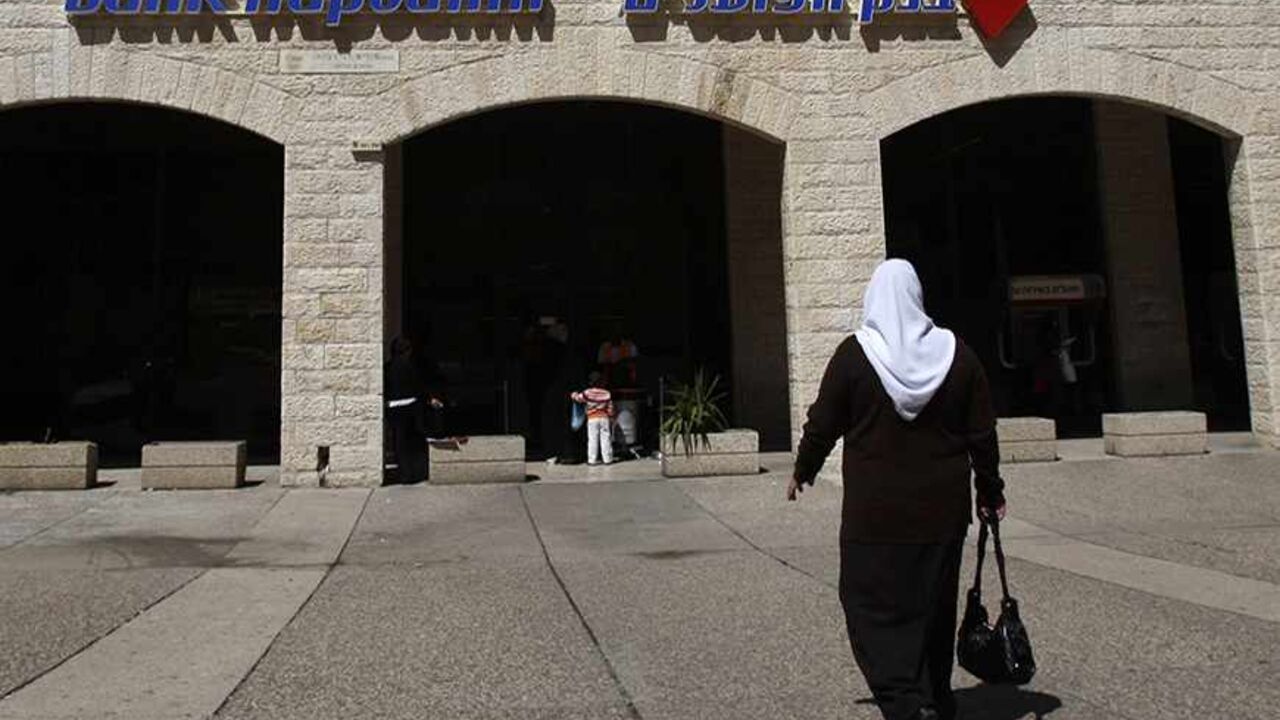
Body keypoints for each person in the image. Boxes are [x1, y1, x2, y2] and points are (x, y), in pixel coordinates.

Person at [789, 259, 1006, 720]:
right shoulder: (958, 355)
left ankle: (905, 702)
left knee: (870, 607)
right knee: (933, 607)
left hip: (876, 516)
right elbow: (982, 435)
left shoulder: (855, 355)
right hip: (943, 513)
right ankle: (933, 696)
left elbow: (822, 423)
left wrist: (803, 470)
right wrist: (990, 492)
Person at [384, 337, 441, 485]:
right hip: (410, 407)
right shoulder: (410, 367)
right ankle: (414, 473)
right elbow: (418, 387)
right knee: (412, 441)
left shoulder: (387, 368)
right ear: (407, 351)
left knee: (398, 442)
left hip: (393, 409)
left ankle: (403, 473)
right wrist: (429, 399)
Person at [570, 372, 614, 466]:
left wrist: (573, 394)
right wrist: (611, 416)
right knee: (606, 439)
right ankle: (607, 459)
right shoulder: (606, 393)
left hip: (592, 418)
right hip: (604, 418)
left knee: (592, 439)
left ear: (590, 382)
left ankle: (592, 460)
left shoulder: (587, 393)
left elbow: (578, 398)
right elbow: (610, 407)